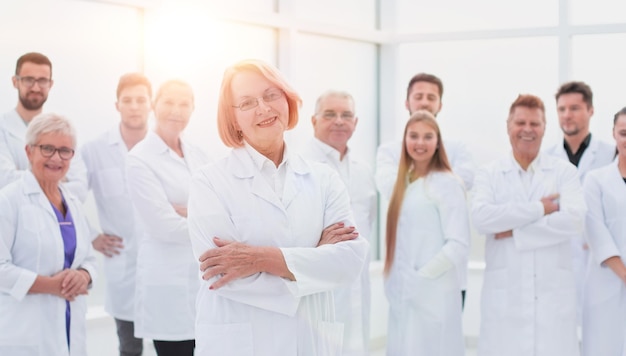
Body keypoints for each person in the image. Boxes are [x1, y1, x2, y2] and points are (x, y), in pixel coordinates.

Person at [187, 59, 369, 356]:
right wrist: (314, 263)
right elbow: (222, 274)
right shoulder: (209, 182)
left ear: (287, 100)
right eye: (247, 102)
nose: (263, 108)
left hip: (307, 340)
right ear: (232, 119)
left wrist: (260, 258)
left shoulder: (323, 178)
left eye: (271, 95)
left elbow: (348, 261)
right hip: (240, 342)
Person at [471, 94, 587, 356]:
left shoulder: (563, 172)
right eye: (520, 122)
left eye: (535, 124)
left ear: (545, 128)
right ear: (508, 125)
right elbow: (482, 218)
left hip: (552, 298)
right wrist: (541, 208)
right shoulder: (489, 173)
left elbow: (575, 220)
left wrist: (513, 230)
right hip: (505, 299)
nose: (527, 130)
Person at [0, 113, 96, 355]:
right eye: (47, 148)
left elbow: (89, 258)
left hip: (69, 329)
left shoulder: (72, 202)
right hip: (24, 332)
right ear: (29, 151)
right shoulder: (9, 200)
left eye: (65, 150)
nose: (56, 158)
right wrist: (49, 285)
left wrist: (84, 276)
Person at [126, 79, 209, 356]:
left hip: (203, 280)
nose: (177, 110)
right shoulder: (139, 159)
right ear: (154, 105)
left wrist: (191, 212)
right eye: (169, 102)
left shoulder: (199, 154)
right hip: (167, 284)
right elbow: (163, 226)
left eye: (184, 103)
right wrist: (206, 217)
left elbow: (221, 207)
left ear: (193, 109)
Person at [376, 72, 474, 307]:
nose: (425, 102)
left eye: (432, 97)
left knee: (443, 340)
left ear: (440, 104)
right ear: (407, 102)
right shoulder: (389, 151)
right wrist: (436, 174)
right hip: (404, 271)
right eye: (418, 96)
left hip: (448, 274)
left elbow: (462, 184)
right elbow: (390, 187)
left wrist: (418, 170)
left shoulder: (458, 149)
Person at [384, 110, 469, 355]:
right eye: (413, 136)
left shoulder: (447, 183)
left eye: (427, 137)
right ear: (405, 141)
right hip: (404, 294)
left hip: (432, 292)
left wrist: (420, 278)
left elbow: (459, 244)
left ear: (437, 142)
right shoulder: (404, 183)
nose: (420, 143)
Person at [300, 90, 377, 356]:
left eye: (346, 115)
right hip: (318, 290)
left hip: (357, 287)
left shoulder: (363, 170)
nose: (339, 121)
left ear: (356, 122)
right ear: (313, 121)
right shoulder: (300, 166)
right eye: (330, 114)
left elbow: (367, 224)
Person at [81, 73, 152, 356]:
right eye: (128, 100)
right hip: (123, 268)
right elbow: (67, 198)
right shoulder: (95, 150)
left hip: (164, 267)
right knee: (130, 347)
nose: (134, 106)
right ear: (117, 105)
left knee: (174, 344)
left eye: (140, 100)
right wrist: (92, 237)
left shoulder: (166, 148)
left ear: (151, 105)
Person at [545, 81, 616, 325]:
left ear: (591, 110)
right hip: (559, 258)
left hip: (601, 259)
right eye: (562, 109)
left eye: (574, 108)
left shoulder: (612, 154)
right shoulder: (547, 158)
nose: (567, 115)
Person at [0, 52, 87, 201]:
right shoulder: (3, 127)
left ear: (50, 84)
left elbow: (80, 190)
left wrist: (26, 175)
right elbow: (4, 180)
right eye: (28, 80)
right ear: (15, 82)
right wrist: (59, 177)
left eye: (42, 81)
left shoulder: (62, 130)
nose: (35, 87)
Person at [581, 107, 626, 356]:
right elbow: (596, 234)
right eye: (624, 133)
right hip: (605, 284)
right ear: (613, 135)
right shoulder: (595, 180)